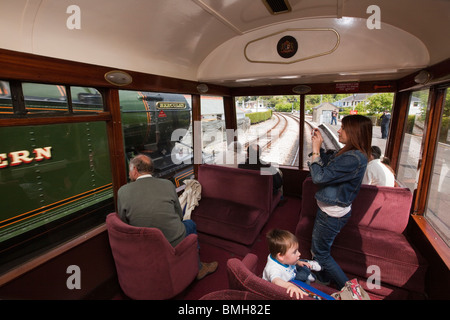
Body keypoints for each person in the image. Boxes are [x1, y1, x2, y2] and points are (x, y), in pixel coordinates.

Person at [117, 154, 218, 280]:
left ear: (135, 170)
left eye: (130, 170)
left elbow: (124, 223)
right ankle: (198, 267)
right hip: (173, 240)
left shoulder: (122, 192)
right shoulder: (167, 184)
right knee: (190, 224)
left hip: (142, 245)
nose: (129, 174)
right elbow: (179, 216)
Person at [308, 114, 372, 289]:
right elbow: (329, 165)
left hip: (331, 214)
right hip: (328, 211)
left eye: (343, 127)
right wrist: (320, 150)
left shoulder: (353, 158)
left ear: (354, 132)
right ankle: (323, 279)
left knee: (321, 254)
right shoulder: (349, 153)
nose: (338, 130)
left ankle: (350, 290)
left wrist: (315, 150)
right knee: (317, 250)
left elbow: (319, 177)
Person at [263, 229, 322, 299]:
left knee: (302, 265)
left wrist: (298, 262)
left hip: (291, 273)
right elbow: (276, 281)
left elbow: (288, 259)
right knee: (303, 287)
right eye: (295, 252)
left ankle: (304, 264)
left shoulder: (279, 257)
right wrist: (289, 286)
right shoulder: (273, 269)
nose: (299, 253)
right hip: (287, 282)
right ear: (281, 256)